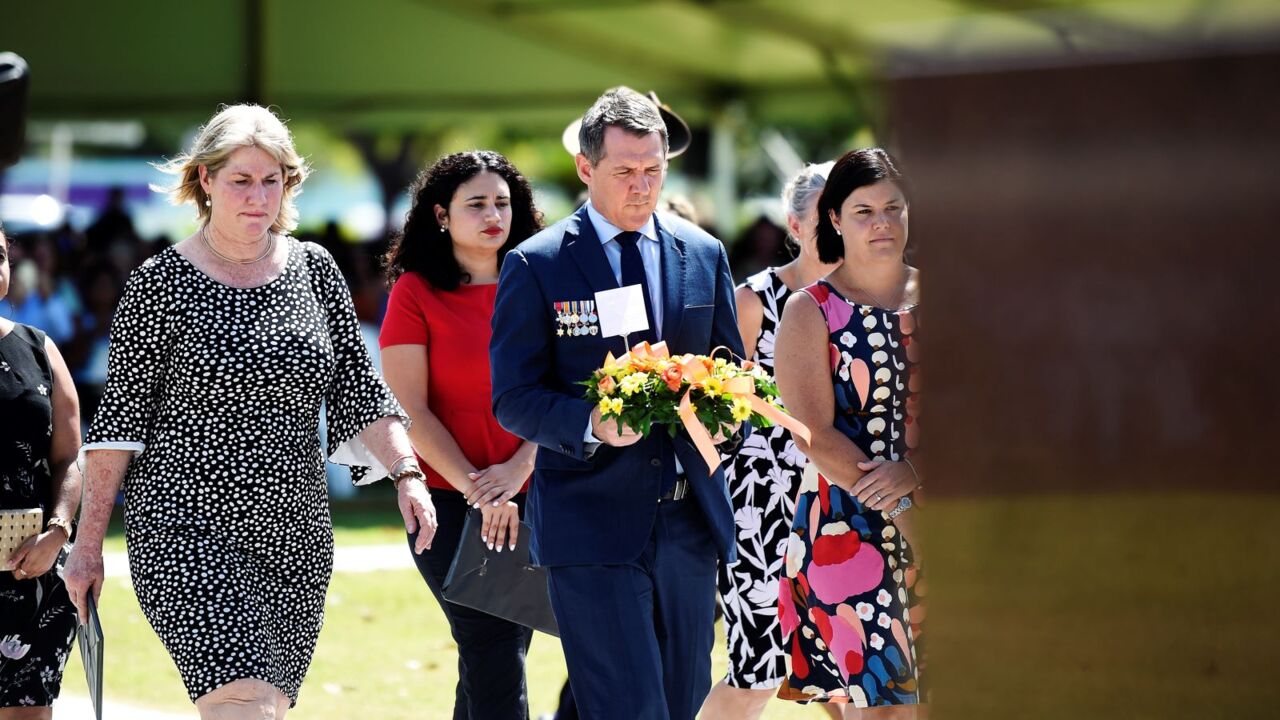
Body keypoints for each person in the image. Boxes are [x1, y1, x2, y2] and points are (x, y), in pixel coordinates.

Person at [61, 104, 438, 720]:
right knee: (246, 705)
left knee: (265, 708)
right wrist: (89, 544)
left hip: (297, 534)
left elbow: (359, 390)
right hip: (188, 531)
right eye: (241, 180)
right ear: (206, 181)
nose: (258, 196)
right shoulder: (159, 283)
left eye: (272, 180)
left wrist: (407, 474)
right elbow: (118, 426)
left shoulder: (315, 270)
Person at [490, 87, 744, 720]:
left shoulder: (703, 253)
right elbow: (513, 398)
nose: (642, 186)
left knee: (683, 705)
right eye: (625, 171)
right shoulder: (538, 263)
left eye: (654, 170)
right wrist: (591, 423)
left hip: (689, 526)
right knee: (630, 709)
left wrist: (727, 404)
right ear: (585, 167)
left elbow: (733, 373)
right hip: (591, 524)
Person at [379, 150, 545, 719]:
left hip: (536, 494)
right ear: (442, 215)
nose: (493, 214)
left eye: (503, 202)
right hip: (447, 501)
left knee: (492, 655)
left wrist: (519, 471)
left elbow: (573, 390)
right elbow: (410, 410)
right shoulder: (415, 291)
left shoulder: (542, 283)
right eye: (475, 204)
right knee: (493, 649)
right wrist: (481, 490)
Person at [773, 148, 924, 717]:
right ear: (833, 219)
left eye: (893, 207)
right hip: (847, 534)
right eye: (863, 211)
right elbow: (811, 431)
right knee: (881, 707)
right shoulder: (809, 310)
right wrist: (903, 505)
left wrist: (915, 474)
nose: (881, 222)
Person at [700, 162, 843, 720]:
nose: (836, 230)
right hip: (763, 509)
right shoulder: (754, 301)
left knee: (853, 669)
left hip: (849, 499)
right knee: (758, 671)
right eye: (823, 217)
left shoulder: (871, 300)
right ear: (794, 224)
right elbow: (716, 411)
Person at [0, 221, 82, 719]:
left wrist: (59, 530)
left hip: (33, 572)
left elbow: (69, 454)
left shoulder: (38, 347)